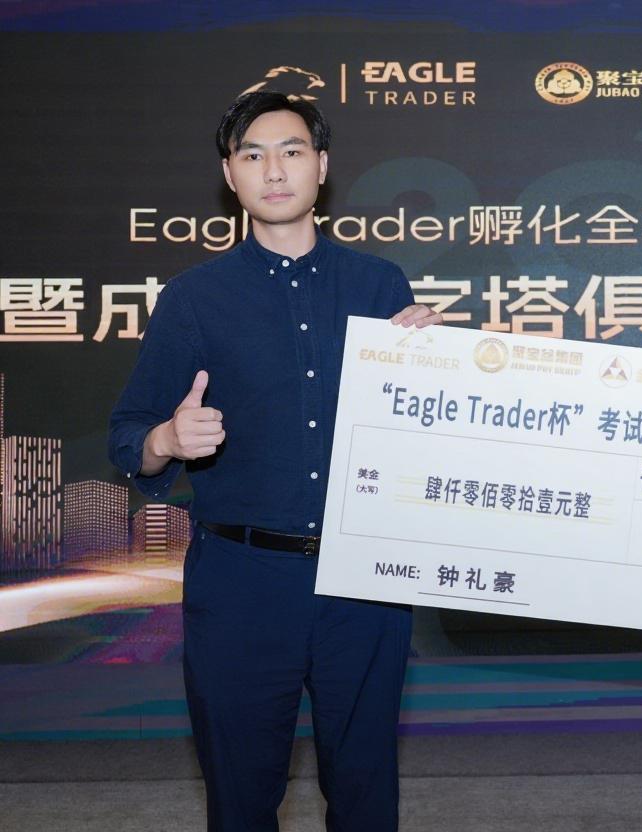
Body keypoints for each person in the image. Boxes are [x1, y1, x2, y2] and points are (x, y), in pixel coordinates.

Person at [108, 92, 442, 832]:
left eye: (292, 151)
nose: (275, 169)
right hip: (241, 583)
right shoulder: (193, 299)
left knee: (366, 796)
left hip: (364, 582)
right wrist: (167, 440)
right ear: (230, 175)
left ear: (321, 165)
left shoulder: (380, 286)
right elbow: (128, 433)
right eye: (252, 154)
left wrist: (438, 370)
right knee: (240, 797)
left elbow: (416, 438)